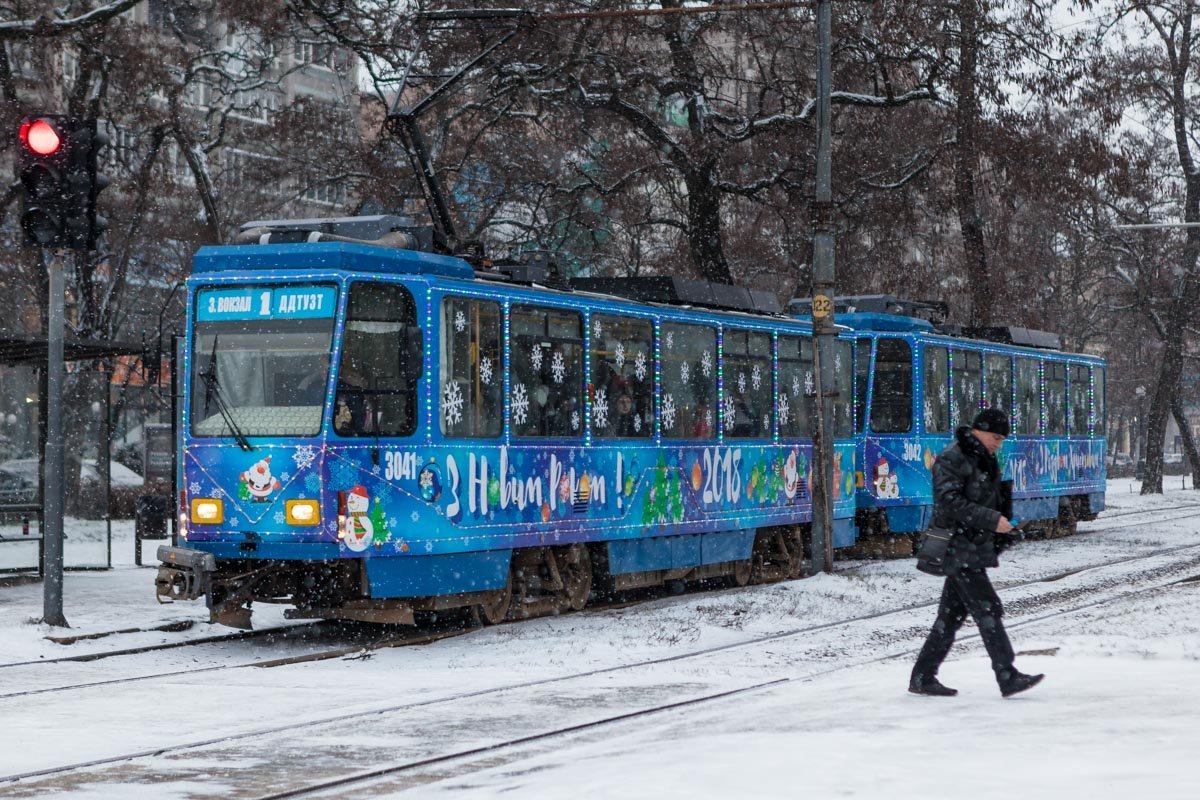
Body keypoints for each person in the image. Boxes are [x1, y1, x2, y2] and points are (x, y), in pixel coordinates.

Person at [910, 408, 1045, 698]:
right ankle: (1007, 675)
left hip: (970, 546)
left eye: (1002, 439)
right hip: (956, 546)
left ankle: (922, 676)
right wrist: (991, 520)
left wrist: (1004, 525)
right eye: (995, 437)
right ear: (978, 431)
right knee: (987, 608)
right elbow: (949, 502)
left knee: (951, 616)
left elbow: (984, 497)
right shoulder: (953, 458)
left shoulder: (981, 457)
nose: (998, 443)